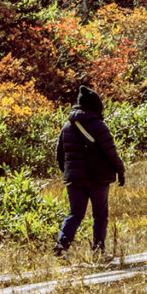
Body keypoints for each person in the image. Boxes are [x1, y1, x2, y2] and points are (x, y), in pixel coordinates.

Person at [52, 86, 124, 257]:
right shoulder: (99, 126)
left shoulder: (67, 126)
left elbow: (59, 154)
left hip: (74, 180)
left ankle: (61, 246)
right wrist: (120, 171)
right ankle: (98, 252)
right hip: (98, 178)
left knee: (75, 214)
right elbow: (111, 152)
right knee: (99, 215)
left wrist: (70, 172)